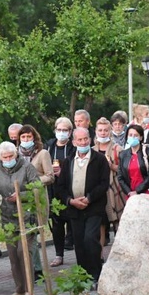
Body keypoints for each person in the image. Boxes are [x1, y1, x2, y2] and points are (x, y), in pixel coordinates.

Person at [56, 128, 110, 283]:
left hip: (93, 207)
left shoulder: (99, 159)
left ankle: (95, 274)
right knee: (79, 242)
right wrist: (71, 201)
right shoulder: (68, 161)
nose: (83, 142)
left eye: (86, 139)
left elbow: (104, 184)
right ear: (74, 142)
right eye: (79, 140)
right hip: (74, 209)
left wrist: (89, 198)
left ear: (90, 139)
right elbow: (60, 187)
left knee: (90, 239)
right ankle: (83, 274)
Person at [0, 142, 40, 295]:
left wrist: (21, 195)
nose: (7, 159)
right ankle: (19, 289)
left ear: (16, 155)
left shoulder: (27, 167)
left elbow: (37, 188)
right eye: (4, 157)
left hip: (27, 215)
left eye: (10, 156)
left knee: (23, 252)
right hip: (7, 215)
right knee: (13, 255)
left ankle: (29, 289)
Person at [18, 124, 54, 275]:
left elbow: (50, 176)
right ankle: (33, 268)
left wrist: (35, 182)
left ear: (34, 137)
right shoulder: (15, 155)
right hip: (21, 198)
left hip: (37, 198)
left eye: (29, 136)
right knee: (25, 235)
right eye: (23, 137)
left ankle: (37, 269)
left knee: (32, 233)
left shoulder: (42, 153)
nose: (26, 139)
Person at [45, 117, 75, 263]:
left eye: (65, 130)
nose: (61, 133)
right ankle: (59, 255)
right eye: (59, 130)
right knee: (57, 224)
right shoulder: (49, 146)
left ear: (70, 132)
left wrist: (62, 172)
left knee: (73, 223)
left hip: (70, 189)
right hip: (53, 189)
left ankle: (78, 252)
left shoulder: (74, 147)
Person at [93, 117, 125, 238]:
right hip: (98, 190)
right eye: (100, 130)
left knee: (118, 221)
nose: (103, 133)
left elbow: (124, 169)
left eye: (105, 130)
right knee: (100, 223)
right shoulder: (92, 150)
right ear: (96, 131)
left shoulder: (118, 149)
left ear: (110, 131)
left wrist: (111, 165)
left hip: (115, 189)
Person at [117, 124, 149, 198]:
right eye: (130, 135)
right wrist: (129, 192)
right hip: (131, 193)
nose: (132, 137)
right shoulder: (123, 154)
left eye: (136, 135)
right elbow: (120, 177)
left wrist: (138, 191)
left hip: (147, 191)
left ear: (141, 137)